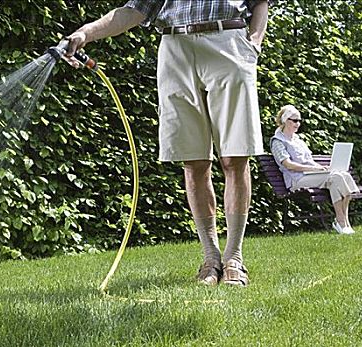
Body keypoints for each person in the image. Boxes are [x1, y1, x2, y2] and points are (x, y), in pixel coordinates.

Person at [63, 1, 269, 286]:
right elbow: (132, 11)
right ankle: (210, 258)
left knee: (235, 157)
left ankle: (234, 257)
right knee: (193, 160)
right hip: (175, 49)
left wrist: (255, 43)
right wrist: (85, 33)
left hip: (229, 43)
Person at [270, 105, 360, 234]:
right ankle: (341, 221)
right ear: (285, 120)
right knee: (336, 177)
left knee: (342, 175)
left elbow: (309, 160)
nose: (298, 124)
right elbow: (288, 165)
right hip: (297, 179)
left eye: (299, 120)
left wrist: (322, 168)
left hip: (310, 175)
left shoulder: (298, 140)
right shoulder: (277, 141)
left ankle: (343, 221)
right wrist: (313, 169)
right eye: (294, 120)